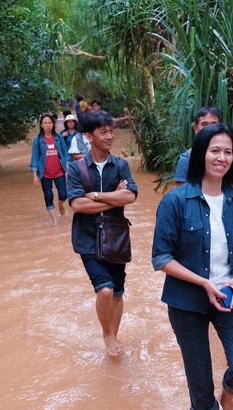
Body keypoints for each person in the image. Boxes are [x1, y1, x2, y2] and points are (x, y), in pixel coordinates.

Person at [152, 123, 233, 410]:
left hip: (231, 296)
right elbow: (161, 258)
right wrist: (202, 282)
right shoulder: (175, 201)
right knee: (198, 375)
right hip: (187, 302)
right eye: (215, 150)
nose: (221, 157)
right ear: (201, 153)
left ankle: (228, 400)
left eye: (228, 152)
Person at [66, 111, 138, 356]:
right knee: (105, 288)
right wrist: (114, 199)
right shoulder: (76, 169)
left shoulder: (121, 165)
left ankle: (114, 336)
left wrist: (96, 196)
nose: (109, 136)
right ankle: (107, 334)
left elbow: (130, 196)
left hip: (116, 238)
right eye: (103, 132)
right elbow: (77, 205)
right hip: (87, 239)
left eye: (111, 131)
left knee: (117, 292)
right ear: (88, 136)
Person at [29, 113, 71, 225]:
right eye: (45, 123)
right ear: (41, 125)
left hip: (59, 172)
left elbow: (65, 155)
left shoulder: (59, 138)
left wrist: (67, 170)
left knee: (64, 194)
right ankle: (54, 220)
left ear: (53, 124)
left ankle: (60, 204)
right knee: (48, 196)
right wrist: (35, 176)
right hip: (45, 173)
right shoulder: (37, 140)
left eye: (50, 123)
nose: (48, 125)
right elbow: (35, 158)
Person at [174, 107, 222, 188]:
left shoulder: (228, 157)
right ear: (196, 128)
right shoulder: (187, 158)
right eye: (204, 124)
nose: (209, 128)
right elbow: (180, 193)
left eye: (214, 124)